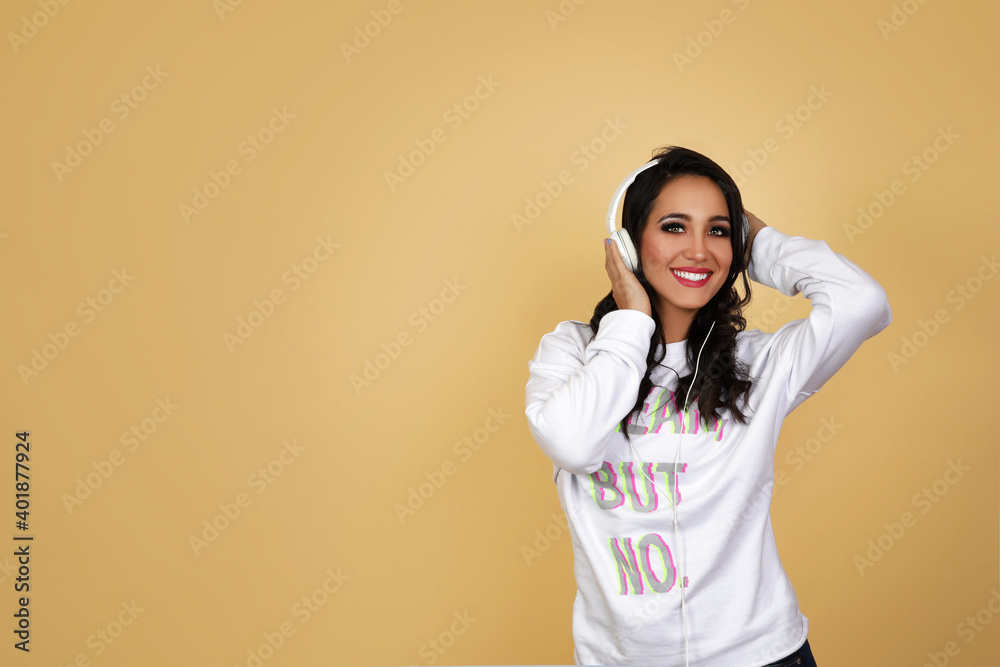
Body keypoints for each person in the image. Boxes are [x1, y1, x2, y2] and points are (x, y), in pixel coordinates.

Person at [523, 146, 892, 667]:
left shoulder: (760, 363)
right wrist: (632, 321)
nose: (699, 250)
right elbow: (572, 443)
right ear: (629, 245)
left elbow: (863, 302)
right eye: (675, 227)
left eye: (718, 231)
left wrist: (757, 242)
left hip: (762, 655)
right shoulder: (573, 351)